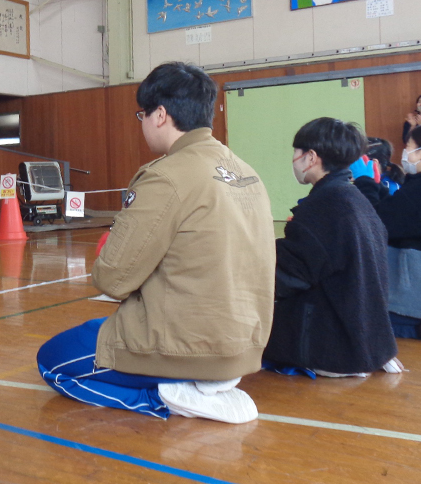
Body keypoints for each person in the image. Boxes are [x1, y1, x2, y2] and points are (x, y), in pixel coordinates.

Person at [37, 62, 275, 424]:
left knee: (52, 362)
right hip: (245, 346)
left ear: (160, 115)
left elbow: (113, 280)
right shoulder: (246, 171)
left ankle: (165, 394)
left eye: (142, 114)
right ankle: (199, 383)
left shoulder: (166, 176)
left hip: (186, 345)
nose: (142, 123)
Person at [264, 118, 400, 377]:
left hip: (333, 350)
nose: (293, 159)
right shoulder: (356, 200)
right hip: (366, 344)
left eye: (296, 152)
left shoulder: (323, 206)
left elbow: (286, 277)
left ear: (311, 157)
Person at [353, 127, 421, 339]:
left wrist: (365, 183)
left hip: (409, 303)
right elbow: (397, 211)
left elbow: (377, 223)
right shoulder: (413, 187)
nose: (405, 154)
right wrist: (377, 187)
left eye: (409, 148)